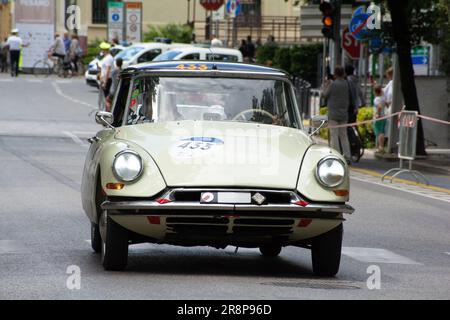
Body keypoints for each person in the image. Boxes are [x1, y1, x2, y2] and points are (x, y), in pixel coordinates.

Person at [322, 66, 352, 163]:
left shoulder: (333, 84)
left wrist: (326, 84)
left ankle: (336, 155)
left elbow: (324, 95)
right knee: (344, 135)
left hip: (333, 113)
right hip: (344, 113)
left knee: (334, 134)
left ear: (335, 74)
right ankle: (347, 155)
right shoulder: (346, 84)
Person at [373, 85, 386, 153]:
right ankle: (382, 146)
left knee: (379, 132)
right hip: (384, 116)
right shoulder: (383, 98)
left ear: (375, 92)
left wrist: (378, 114)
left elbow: (379, 106)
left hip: (379, 118)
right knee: (382, 132)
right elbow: (386, 104)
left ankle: (380, 147)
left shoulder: (377, 99)